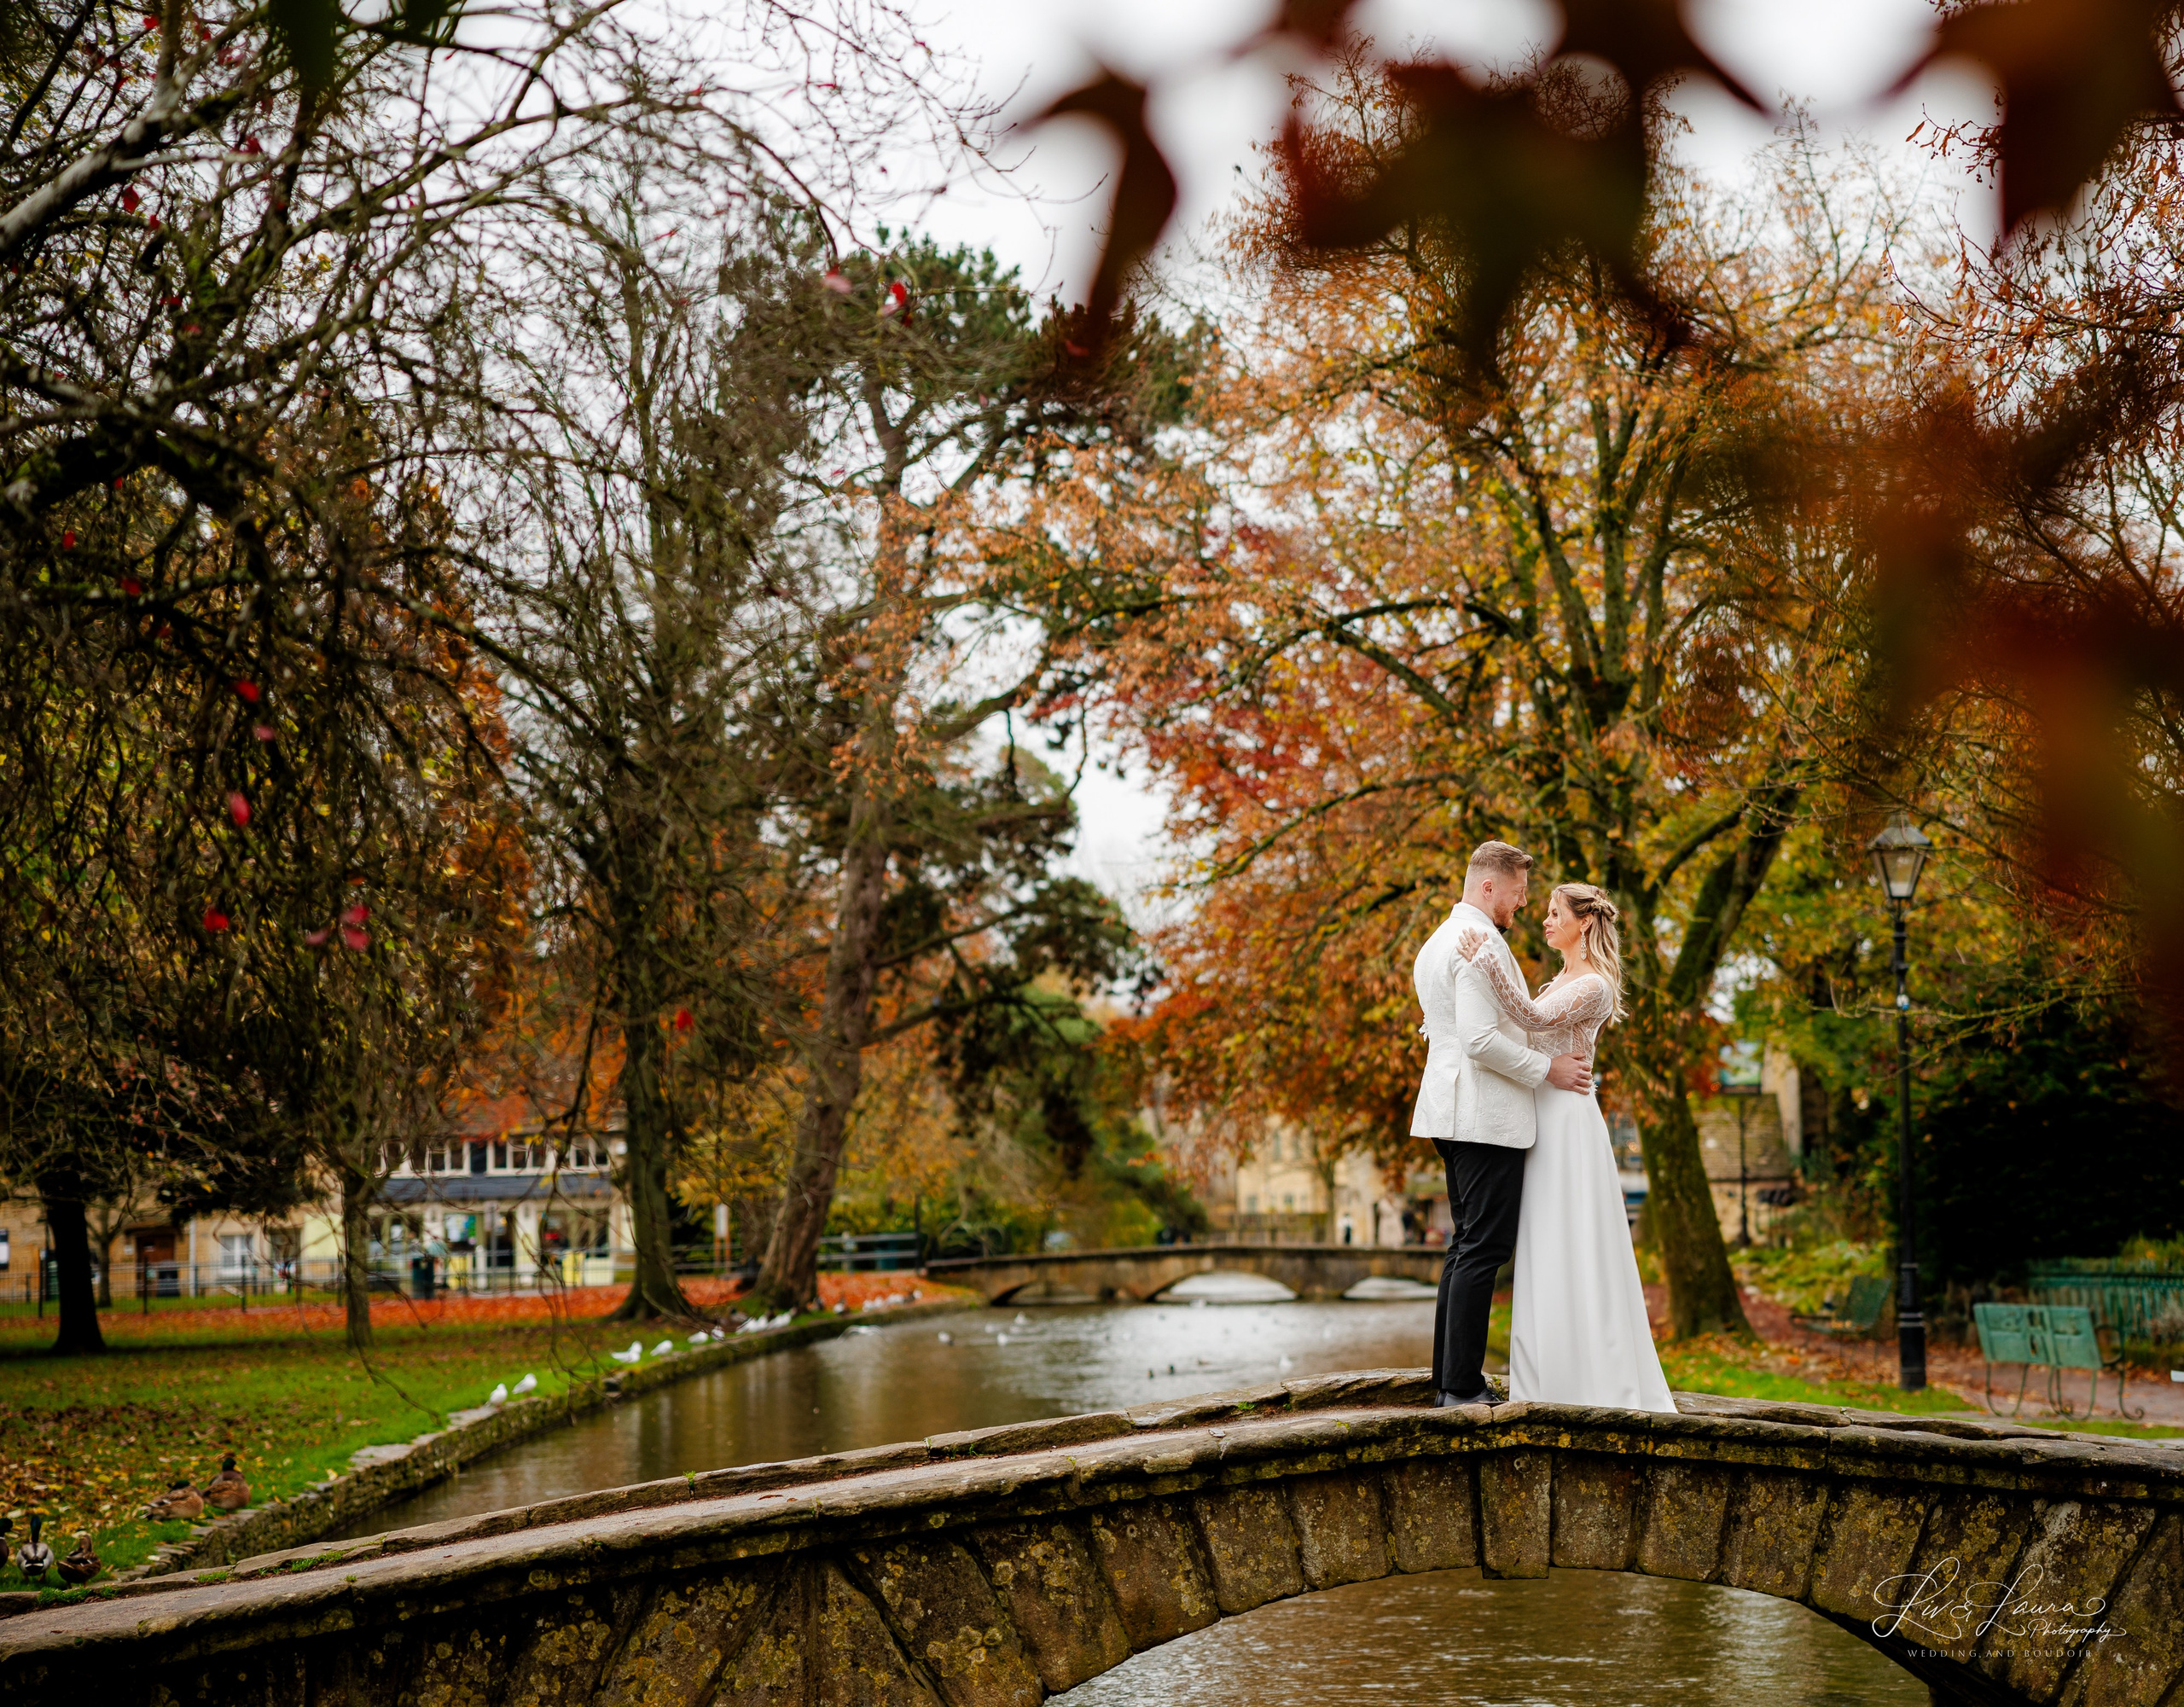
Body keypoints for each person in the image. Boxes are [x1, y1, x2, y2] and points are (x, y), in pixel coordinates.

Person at [1454, 882, 1676, 1412]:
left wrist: (1484, 963)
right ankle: (1550, 1376)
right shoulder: (1562, 978)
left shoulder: (1595, 985)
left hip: (1569, 1126)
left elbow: (1533, 1021)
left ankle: (1594, 1376)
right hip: (1543, 1119)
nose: (1546, 920)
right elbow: (1528, 1028)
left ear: (1585, 923)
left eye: (1555, 914)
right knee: (1543, 1242)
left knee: (1573, 1243)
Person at [1410, 841, 1594, 1408]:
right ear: (1489, 886)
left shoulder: (1437, 940)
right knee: (1484, 1248)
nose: (1521, 906)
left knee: (1466, 1245)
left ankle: (1450, 1379)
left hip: (1451, 1109)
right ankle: (1462, 1385)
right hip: (1482, 1115)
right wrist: (1548, 1068)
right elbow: (1480, 1039)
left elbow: (1444, 1027)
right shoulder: (1479, 943)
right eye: (1517, 894)